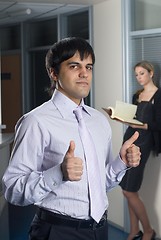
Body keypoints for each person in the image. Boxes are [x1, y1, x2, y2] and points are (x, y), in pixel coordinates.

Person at [2, 37, 141, 240]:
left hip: (99, 230)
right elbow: (13, 190)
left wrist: (121, 163)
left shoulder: (99, 121)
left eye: (89, 67)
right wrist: (58, 173)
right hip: (57, 232)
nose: (84, 73)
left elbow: (99, 186)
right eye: (74, 66)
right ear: (54, 72)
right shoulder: (36, 121)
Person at [119, 60, 161, 240]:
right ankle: (134, 230)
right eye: (136, 75)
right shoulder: (137, 95)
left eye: (142, 73)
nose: (139, 78)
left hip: (143, 143)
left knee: (130, 190)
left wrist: (142, 125)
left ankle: (149, 231)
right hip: (129, 140)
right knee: (126, 189)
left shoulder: (158, 95)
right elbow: (132, 117)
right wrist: (122, 118)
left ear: (151, 73)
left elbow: (158, 124)